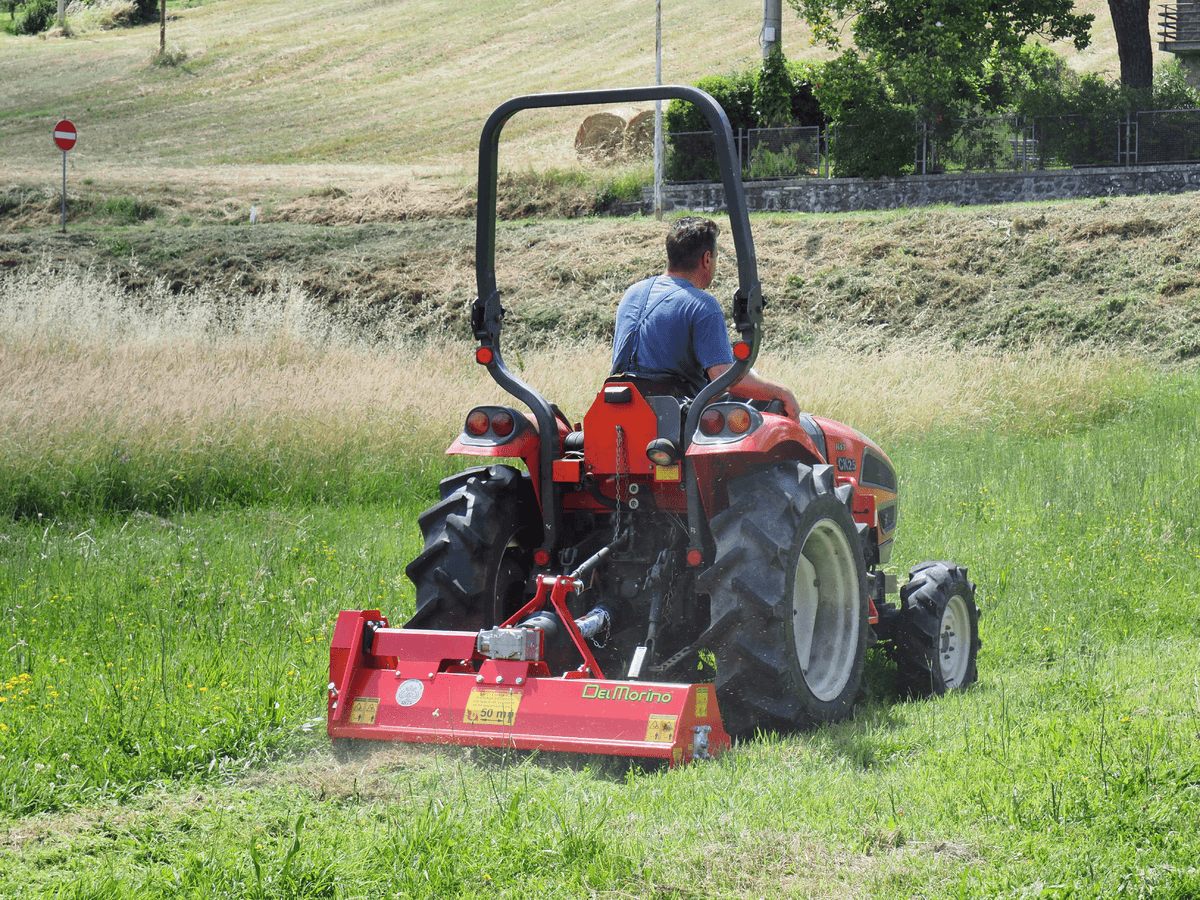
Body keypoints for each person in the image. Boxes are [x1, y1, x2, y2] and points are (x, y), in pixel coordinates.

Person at [610, 216, 800, 419]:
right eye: (716, 256)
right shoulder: (701, 304)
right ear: (707, 258)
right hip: (673, 418)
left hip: (616, 410)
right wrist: (783, 393)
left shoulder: (632, 293)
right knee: (763, 404)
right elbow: (723, 377)